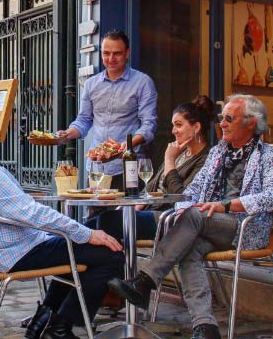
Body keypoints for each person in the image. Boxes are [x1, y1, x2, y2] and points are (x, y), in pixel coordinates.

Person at [0, 98, 124, 339]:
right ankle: (59, 327)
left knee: (84, 234)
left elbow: (18, 208)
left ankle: (43, 319)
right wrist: (87, 235)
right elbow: (33, 214)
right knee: (111, 252)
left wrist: (84, 232)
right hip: (16, 252)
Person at [108, 94, 273, 339]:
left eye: (229, 118)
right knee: (189, 247)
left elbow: (269, 196)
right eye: (221, 118)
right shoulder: (219, 153)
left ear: (250, 123)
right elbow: (193, 192)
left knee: (194, 214)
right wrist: (183, 207)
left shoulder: (267, 155)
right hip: (207, 223)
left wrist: (226, 205)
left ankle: (146, 280)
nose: (222, 124)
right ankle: (205, 327)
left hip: (243, 227)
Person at [88, 95, 215, 241]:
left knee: (107, 220)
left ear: (196, 127)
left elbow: (182, 197)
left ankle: (116, 263)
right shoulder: (180, 153)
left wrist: (169, 160)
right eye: (173, 125)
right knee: (90, 224)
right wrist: (138, 204)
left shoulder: (206, 158)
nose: (173, 131)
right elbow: (152, 185)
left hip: (169, 217)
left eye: (178, 125)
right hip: (151, 211)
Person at [58, 29, 157, 190]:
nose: (111, 59)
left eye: (117, 53)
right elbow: (84, 120)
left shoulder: (143, 82)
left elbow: (149, 124)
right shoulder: (91, 84)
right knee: (94, 214)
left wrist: (128, 144)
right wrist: (68, 133)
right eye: (106, 53)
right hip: (97, 167)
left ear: (127, 53)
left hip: (127, 166)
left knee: (126, 214)